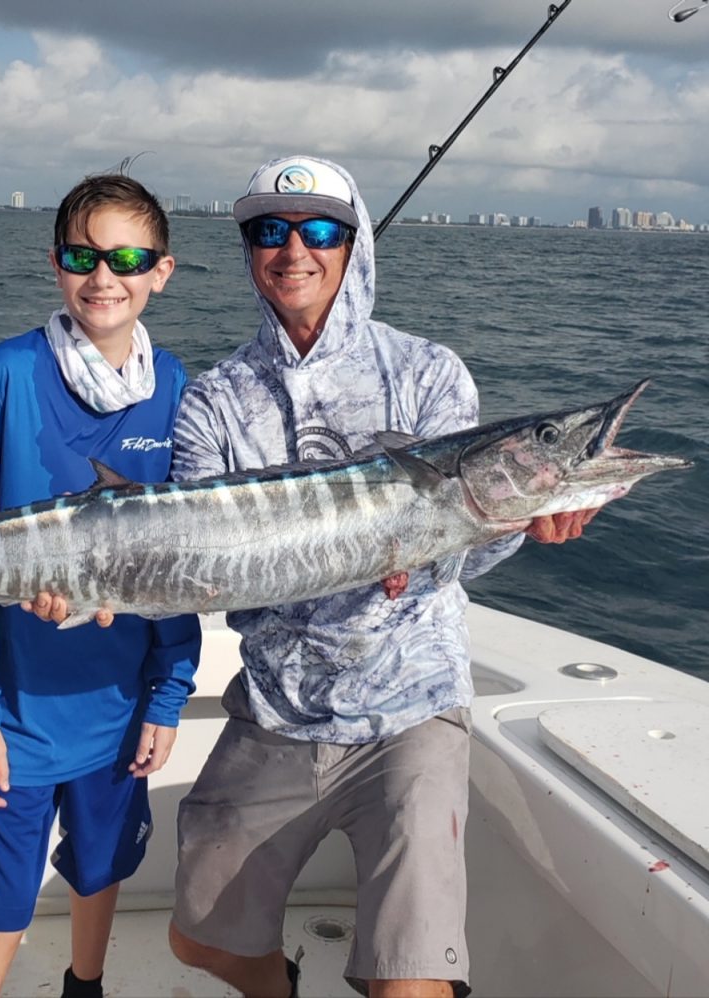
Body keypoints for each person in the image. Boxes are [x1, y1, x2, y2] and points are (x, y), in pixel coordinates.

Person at [159, 156, 596, 998]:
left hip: (411, 710)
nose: (295, 250)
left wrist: (524, 527)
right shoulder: (213, 400)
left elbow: (461, 548)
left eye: (322, 229)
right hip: (278, 710)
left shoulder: (429, 373)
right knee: (197, 941)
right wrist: (104, 587)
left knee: (411, 987)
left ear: (354, 246)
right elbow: (198, 562)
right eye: (270, 231)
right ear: (249, 250)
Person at [0, 172, 202, 998]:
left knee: (100, 870)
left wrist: (168, 693)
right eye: (83, 254)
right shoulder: (8, 373)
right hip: (16, 714)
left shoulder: (180, 387)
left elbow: (183, 563)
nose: (103, 275)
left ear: (162, 270)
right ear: (55, 264)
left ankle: (85, 986)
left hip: (121, 710)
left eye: (127, 256)